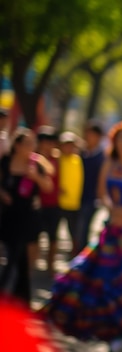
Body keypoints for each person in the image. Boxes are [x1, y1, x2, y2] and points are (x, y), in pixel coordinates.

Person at [40, 120, 122, 352]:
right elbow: (102, 193)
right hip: (112, 230)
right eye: (121, 138)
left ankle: (119, 336)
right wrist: (112, 210)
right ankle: (97, 329)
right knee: (92, 276)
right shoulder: (109, 162)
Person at [0, 128, 53, 304]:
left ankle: (14, 297)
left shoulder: (36, 164)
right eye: (28, 143)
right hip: (7, 214)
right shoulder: (6, 161)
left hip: (28, 216)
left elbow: (48, 187)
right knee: (14, 255)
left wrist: (36, 177)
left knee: (19, 255)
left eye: (33, 143)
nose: (32, 147)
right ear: (17, 145)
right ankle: (19, 298)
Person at [36, 126, 62, 274]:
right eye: (46, 142)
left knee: (53, 237)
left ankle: (50, 265)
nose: (49, 145)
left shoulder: (58, 159)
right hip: (36, 204)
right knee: (35, 236)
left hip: (53, 204)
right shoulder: (33, 159)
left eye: (52, 142)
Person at [76, 122, 105, 251]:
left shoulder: (103, 158)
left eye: (91, 134)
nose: (87, 137)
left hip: (91, 198)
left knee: (83, 229)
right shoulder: (80, 154)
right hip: (76, 197)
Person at [57, 131, 84, 256]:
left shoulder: (78, 160)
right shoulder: (57, 159)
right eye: (66, 144)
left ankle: (75, 254)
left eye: (71, 145)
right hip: (58, 202)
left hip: (74, 203)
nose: (69, 148)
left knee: (74, 231)